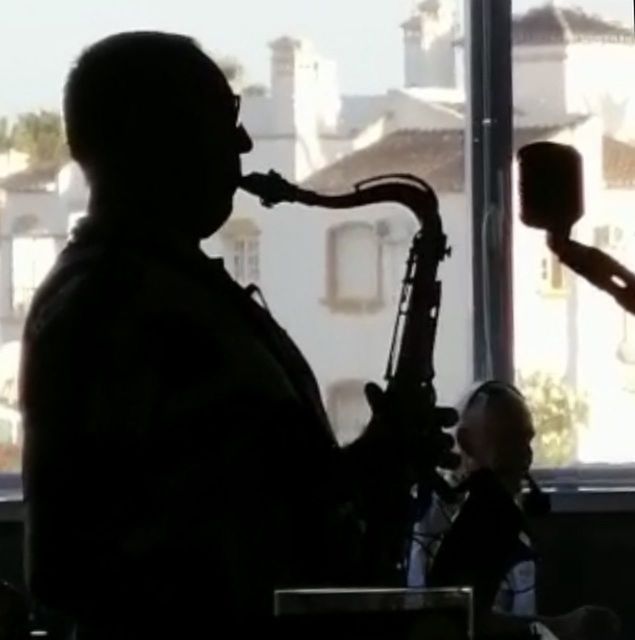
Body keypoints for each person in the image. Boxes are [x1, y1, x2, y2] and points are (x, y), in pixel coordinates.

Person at [18, 32, 456, 639]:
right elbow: (128, 560)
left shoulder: (153, 289)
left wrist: (364, 470)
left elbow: (243, 496)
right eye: (226, 121)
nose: (245, 143)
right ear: (158, 137)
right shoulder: (111, 305)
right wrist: (365, 474)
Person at [407, 380, 620, 640]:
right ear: (466, 442)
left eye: (527, 440)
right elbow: (454, 619)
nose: (525, 454)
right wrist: (562, 626)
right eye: (509, 439)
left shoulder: (509, 519)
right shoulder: (437, 524)